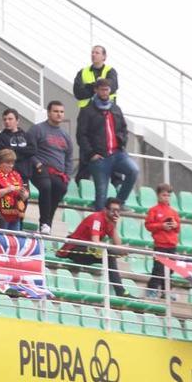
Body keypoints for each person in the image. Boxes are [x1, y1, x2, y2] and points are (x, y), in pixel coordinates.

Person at [77, 79, 138, 210]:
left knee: (133, 170)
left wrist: (122, 142)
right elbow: (81, 135)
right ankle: (99, 226)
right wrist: (91, 154)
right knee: (101, 196)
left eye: (107, 89)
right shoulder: (87, 110)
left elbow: (123, 128)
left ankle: (119, 202)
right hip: (100, 158)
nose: (105, 92)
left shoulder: (115, 108)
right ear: (96, 90)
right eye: (102, 89)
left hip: (117, 153)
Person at [56, 197, 132, 298]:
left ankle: (120, 291)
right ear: (105, 210)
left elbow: (118, 243)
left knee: (109, 256)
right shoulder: (97, 219)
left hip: (90, 251)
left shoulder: (109, 222)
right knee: (107, 252)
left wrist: (114, 226)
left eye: (118, 211)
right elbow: (95, 241)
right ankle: (120, 291)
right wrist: (116, 250)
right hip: (75, 250)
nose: (116, 213)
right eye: (113, 210)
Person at [27, 101, 73, 234]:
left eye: (61, 112)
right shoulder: (37, 129)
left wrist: (68, 176)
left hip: (58, 173)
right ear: (48, 113)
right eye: (56, 111)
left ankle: (47, 223)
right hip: (40, 168)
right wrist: (37, 163)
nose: (59, 114)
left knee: (61, 188)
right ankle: (45, 223)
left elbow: (69, 158)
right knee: (46, 187)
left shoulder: (65, 136)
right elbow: (28, 150)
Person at [144, 183, 181, 299]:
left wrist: (174, 225)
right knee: (158, 268)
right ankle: (152, 289)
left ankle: (166, 291)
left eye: (168, 195)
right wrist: (162, 225)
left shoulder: (174, 212)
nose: (166, 197)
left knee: (170, 270)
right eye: (164, 195)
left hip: (172, 244)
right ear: (158, 195)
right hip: (160, 244)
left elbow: (178, 228)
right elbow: (148, 225)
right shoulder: (153, 210)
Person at [0, 149, 29, 231]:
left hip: (15, 214)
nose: (11, 165)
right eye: (8, 163)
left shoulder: (16, 175)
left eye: (12, 163)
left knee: (14, 241)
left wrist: (24, 195)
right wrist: (7, 189)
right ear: (0, 163)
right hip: (1, 215)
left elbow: (21, 193)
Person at [0, 108, 34, 183]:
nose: (7, 121)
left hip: (24, 175)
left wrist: (13, 149)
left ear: (17, 121)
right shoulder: (0, 137)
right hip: (8, 175)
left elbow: (33, 150)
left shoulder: (27, 135)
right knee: (11, 193)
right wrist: (24, 151)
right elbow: (5, 154)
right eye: (5, 119)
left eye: (10, 119)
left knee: (24, 195)